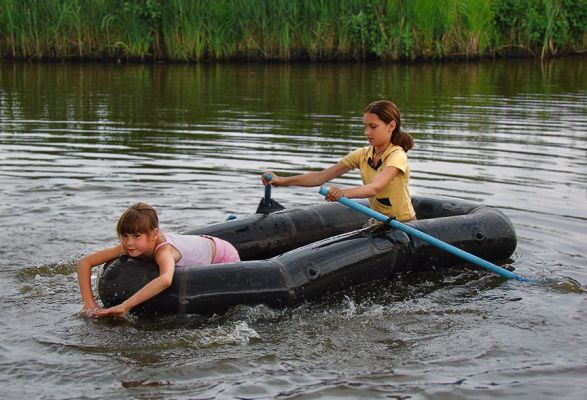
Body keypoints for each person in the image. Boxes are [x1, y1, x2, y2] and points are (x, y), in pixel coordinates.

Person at [262, 100, 416, 222]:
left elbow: (374, 188)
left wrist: (343, 193)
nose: (366, 132)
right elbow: (320, 177)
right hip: (381, 223)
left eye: (373, 127)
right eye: (366, 126)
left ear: (391, 126)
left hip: (405, 224)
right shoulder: (363, 154)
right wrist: (281, 180)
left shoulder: (397, 156)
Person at [77, 202, 240, 318]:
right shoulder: (128, 246)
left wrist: (124, 306)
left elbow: (165, 279)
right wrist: (89, 302)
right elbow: (84, 263)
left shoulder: (164, 251)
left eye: (136, 236)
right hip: (203, 244)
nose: (129, 242)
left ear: (154, 234)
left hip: (222, 255)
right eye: (124, 236)